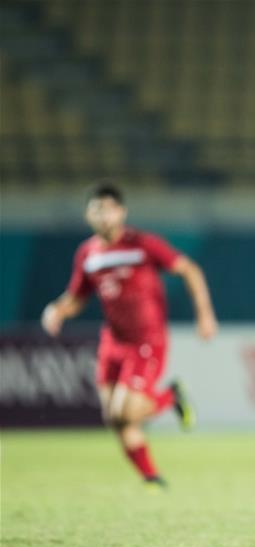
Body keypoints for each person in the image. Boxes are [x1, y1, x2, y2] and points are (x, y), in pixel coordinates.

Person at [41, 183, 217, 488]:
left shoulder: (142, 244)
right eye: (97, 210)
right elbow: (77, 296)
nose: (103, 216)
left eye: (109, 209)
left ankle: (170, 395)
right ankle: (151, 478)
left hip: (146, 340)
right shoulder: (87, 254)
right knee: (113, 418)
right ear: (88, 215)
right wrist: (57, 310)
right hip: (113, 341)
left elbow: (190, 270)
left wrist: (204, 314)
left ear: (121, 212)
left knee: (127, 411)